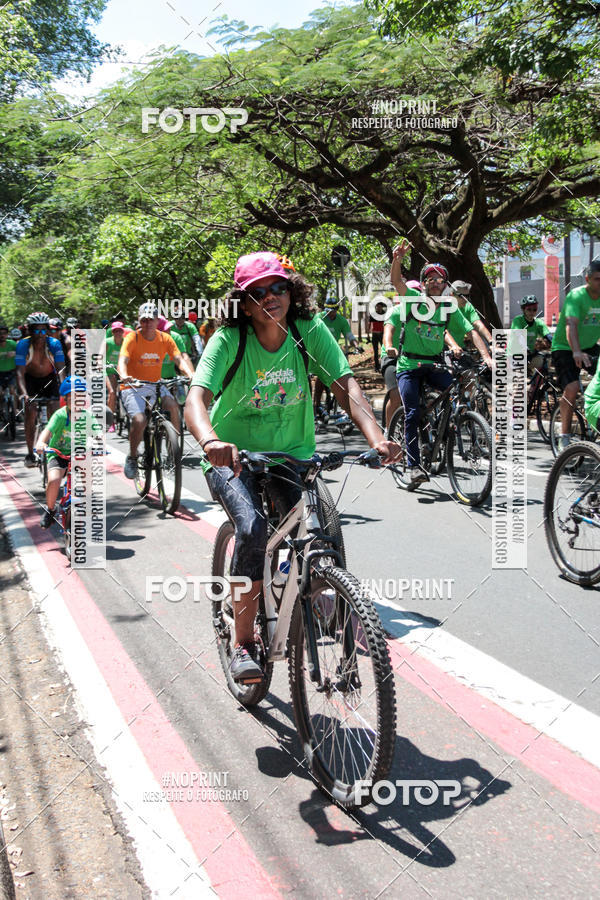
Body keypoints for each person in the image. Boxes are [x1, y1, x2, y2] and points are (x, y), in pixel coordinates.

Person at [184, 251, 400, 683]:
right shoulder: (230, 340)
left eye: (278, 287)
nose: (270, 297)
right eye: (257, 292)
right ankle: (243, 642)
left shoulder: (308, 331)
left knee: (314, 537)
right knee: (251, 529)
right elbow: (196, 399)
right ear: (243, 303)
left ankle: (306, 598)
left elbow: (346, 386)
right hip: (235, 458)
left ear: (291, 291)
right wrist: (210, 441)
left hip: (292, 456)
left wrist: (376, 437)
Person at [385, 250, 475, 490]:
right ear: (424, 284)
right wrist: (397, 259)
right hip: (409, 367)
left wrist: (479, 353)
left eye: (440, 280)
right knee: (413, 413)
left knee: (454, 390)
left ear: (446, 285)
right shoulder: (413, 298)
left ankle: (441, 431)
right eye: (431, 279)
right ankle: (413, 466)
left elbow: (467, 330)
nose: (436, 284)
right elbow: (396, 282)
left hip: (434, 365)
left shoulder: (447, 306)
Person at [118, 303, 195, 479]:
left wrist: (189, 373)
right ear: (139, 321)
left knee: (173, 406)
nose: (147, 324)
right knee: (139, 420)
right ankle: (132, 456)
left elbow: (178, 358)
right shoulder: (132, 338)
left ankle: (173, 449)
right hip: (133, 386)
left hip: (154, 384)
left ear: (157, 320)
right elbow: (122, 360)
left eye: (150, 320)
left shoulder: (165, 339)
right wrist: (123, 375)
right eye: (143, 320)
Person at [36, 377, 99, 528]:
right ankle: (50, 510)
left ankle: (88, 500)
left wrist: (98, 443)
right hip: (58, 454)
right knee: (53, 481)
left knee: (89, 473)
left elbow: (98, 433)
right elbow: (47, 431)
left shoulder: (87, 416)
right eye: (72, 397)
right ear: (66, 399)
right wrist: (41, 442)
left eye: (80, 396)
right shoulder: (60, 415)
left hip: (79, 454)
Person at [551, 261, 600, 450]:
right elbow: (570, 325)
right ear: (588, 279)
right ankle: (564, 435)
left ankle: (595, 417)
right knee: (571, 388)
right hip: (564, 347)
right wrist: (577, 352)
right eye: (597, 280)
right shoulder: (577, 296)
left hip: (589, 346)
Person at [16, 312, 65, 467]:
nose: (40, 334)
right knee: (30, 412)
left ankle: (56, 446)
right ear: (30, 331)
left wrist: (64, 389)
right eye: (36, 330)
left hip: (49, 379)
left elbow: (61, 370)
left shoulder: (54, 344)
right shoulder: (23, 345)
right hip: (30, 381)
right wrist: (23, 393)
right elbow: (20, 372)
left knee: (56, 410)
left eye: (43, 330)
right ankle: (30, 453)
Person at [313, 298, 359, 415]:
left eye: (332, 311)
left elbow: (349, 335)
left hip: (333, 352)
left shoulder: (342, 321)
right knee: (322, 375)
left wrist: (356, 345)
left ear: (337, 310)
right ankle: (316, 404)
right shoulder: (318, 318)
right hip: (318, 350)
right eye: (327, 311)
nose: (330, 313)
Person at [511, 295, 551, 377]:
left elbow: (548, 336)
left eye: (534, 309)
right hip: (516, 356)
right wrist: (525, 347)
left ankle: (535, 387)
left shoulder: (538, 323)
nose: (532, 312)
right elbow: (518, 335)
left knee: (545, 363)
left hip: (531, 356)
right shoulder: (517, 320)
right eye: (529, 309)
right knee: (518, 385)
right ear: (523, 310)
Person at [104, 321, 131, 432]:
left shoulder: (127, 342)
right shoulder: (107, 342)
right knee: (112, 393)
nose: (118, 333)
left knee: (130, 391)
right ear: (112, 332)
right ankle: (110, 422)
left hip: (122, 371)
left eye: (120, 330)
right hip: (109, 371)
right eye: (115, 331)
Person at [0, 323, 18, 402]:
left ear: (7, 334)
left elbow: (22, 353)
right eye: (0, 334)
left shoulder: (12, 343)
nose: (2, 335)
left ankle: (16, 410)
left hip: (11, 372)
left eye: (4, 333)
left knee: (12, 391)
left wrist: (15, 353)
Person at [368, 301, 386, 372]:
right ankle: (376, 366)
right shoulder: (373, 314)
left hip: (382, 334)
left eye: (380, 306)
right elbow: (369, 324)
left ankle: (383, 365)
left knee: (384, 351)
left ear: (382, 307)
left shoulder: (384, 314)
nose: (378, 307)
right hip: (374, 334)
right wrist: (368, 334)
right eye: (377, 306)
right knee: (375, 351)